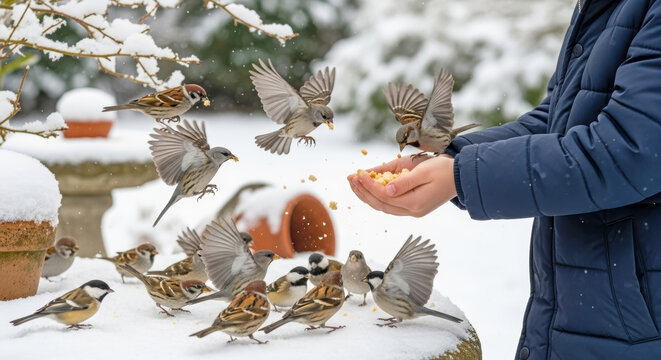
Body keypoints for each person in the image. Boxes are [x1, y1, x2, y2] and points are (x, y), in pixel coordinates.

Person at [348, 1, 661, 359]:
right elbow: (558, 118)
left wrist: (462, 175)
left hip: (634, 325)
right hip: (581, 311)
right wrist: (453, 158)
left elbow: (629, 150)